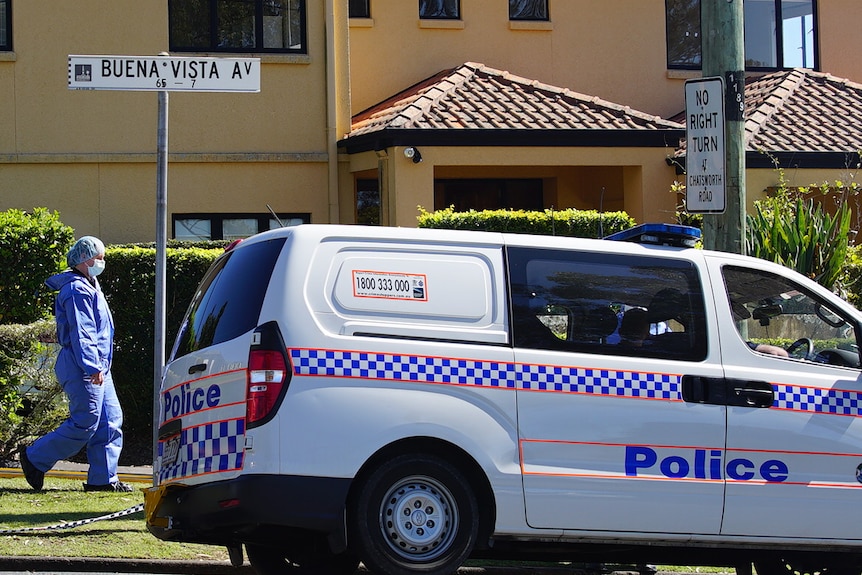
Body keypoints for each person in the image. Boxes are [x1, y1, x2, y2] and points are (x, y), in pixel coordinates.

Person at [19, 236, 132, 492]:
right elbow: (83, 331)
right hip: (84, 365)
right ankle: (35, 457)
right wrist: (92, 367)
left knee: (109, 421)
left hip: (98, 366)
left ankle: (103, 481)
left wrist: (98, 366)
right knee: (86, 422)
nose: (103, 261)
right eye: (100, 257)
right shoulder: (77, 289)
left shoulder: (89, 285)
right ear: (85, 259)